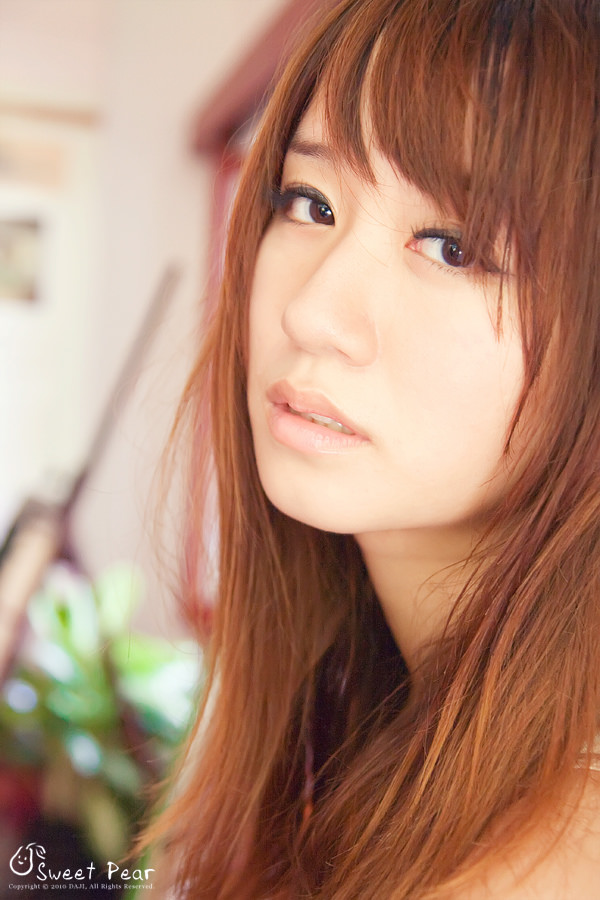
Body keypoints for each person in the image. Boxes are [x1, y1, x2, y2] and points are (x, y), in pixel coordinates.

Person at [147, 0, 600, 896]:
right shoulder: (364, 713)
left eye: (453, 246)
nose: (311, 311)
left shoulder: (554, 853)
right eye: (309, 203)